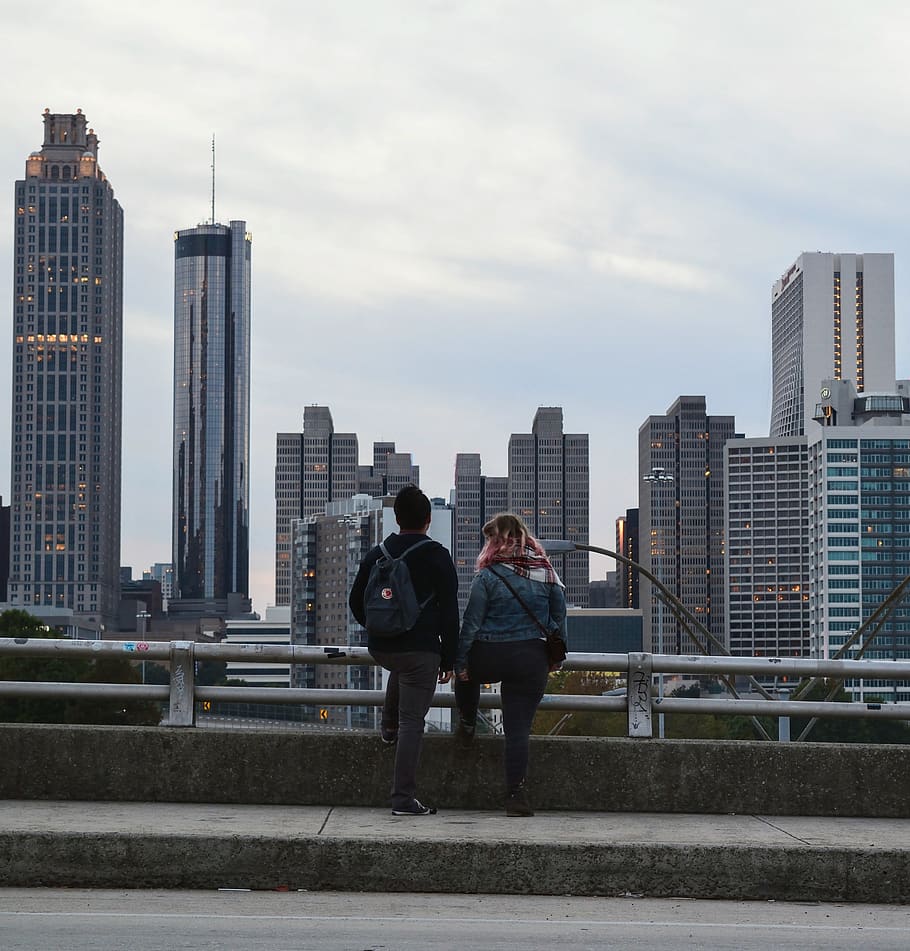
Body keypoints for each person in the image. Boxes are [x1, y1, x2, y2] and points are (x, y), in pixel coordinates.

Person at [349, 484, 459, 816]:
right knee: (415, 720)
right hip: (421, 650)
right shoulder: (437, 555)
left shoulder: (377, 554)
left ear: (397, 519)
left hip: (382, 647)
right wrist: (449, 657)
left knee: (401, 671)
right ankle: (402, 800)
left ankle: (388, 727)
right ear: (427, 519)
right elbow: (450, 612)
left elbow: (356, 601)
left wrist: (378, 627)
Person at [454, 513, 567, 817]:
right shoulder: (547, 572)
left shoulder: (487, 576)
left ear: (498, 541)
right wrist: (556, 656)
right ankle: (515, 795)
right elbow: (559, 619)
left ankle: (466, 722)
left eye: (491, 538)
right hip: (531, 659)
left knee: (465, 678)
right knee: (518, 730)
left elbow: (471, 625)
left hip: (490, 653)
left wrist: (460, 662)